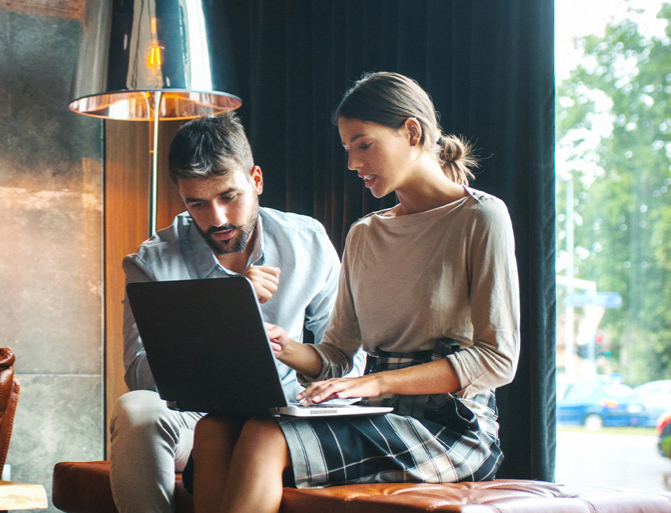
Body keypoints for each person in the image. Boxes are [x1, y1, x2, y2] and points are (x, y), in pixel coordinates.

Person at [189, 71, 521, 513]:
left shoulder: (480, 217)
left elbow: (498, 359)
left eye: (363, 144)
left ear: (412, 131)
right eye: (347, 149)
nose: (352, 163)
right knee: (214, 429)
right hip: (378, 411)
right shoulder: (365, 234)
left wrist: (374, 381)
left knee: (266, 436)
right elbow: (335, 358)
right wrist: (283, 345)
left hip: (450, 425)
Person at [109, 112, 364, 513]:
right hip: (193, 419)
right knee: (134, 411)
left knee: (258, 431)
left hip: (284, 415)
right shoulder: (150, 262)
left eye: (229, 196)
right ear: (182, 197)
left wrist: (292, 356)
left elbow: (349, 363)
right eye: (198, 204)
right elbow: (139, 373)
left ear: (256, 180)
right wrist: (225, 305)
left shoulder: (308, 241)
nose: (218, 219)